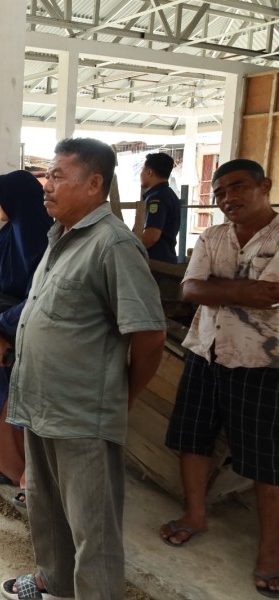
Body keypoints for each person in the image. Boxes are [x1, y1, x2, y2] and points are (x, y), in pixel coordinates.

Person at [3, 138, 166, 599]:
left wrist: (121, 398)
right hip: (42, 404)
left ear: (94, 184)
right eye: (47, 175)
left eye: (56, 175)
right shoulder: (62, 237)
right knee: (47, 506)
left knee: (93, 528)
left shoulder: (114, 245)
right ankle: (55, 582)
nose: (45, 185)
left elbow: (150, 336)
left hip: (82, 416)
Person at [159, 158, 279, 598]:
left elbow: (271, 300)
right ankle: (195, 514)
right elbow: (189, 291)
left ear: (264, 186)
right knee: (192, 438)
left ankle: (270, 552)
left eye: (238, 187)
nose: (228, 198)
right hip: (205, 352)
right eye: (220, 191)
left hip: (262, 362)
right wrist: (244, 292)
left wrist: (219, 290)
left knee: (267, 461)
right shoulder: (212, 235)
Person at [0, 170, 53, 509]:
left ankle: (32, 481)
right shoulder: (4, 236)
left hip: (34, 336)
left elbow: (40, 298)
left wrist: (1, 325)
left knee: (29, 412)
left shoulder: (46, 240)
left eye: (2, 199)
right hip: (2, 334)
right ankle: (9, 469)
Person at [140, 152, 181, 263]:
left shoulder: (157, 198)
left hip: (157, 264)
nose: (140, 174)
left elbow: (151, 236)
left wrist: (128, 251)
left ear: (149, 172)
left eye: (142, 170)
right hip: (165, 258)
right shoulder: (168, 194)